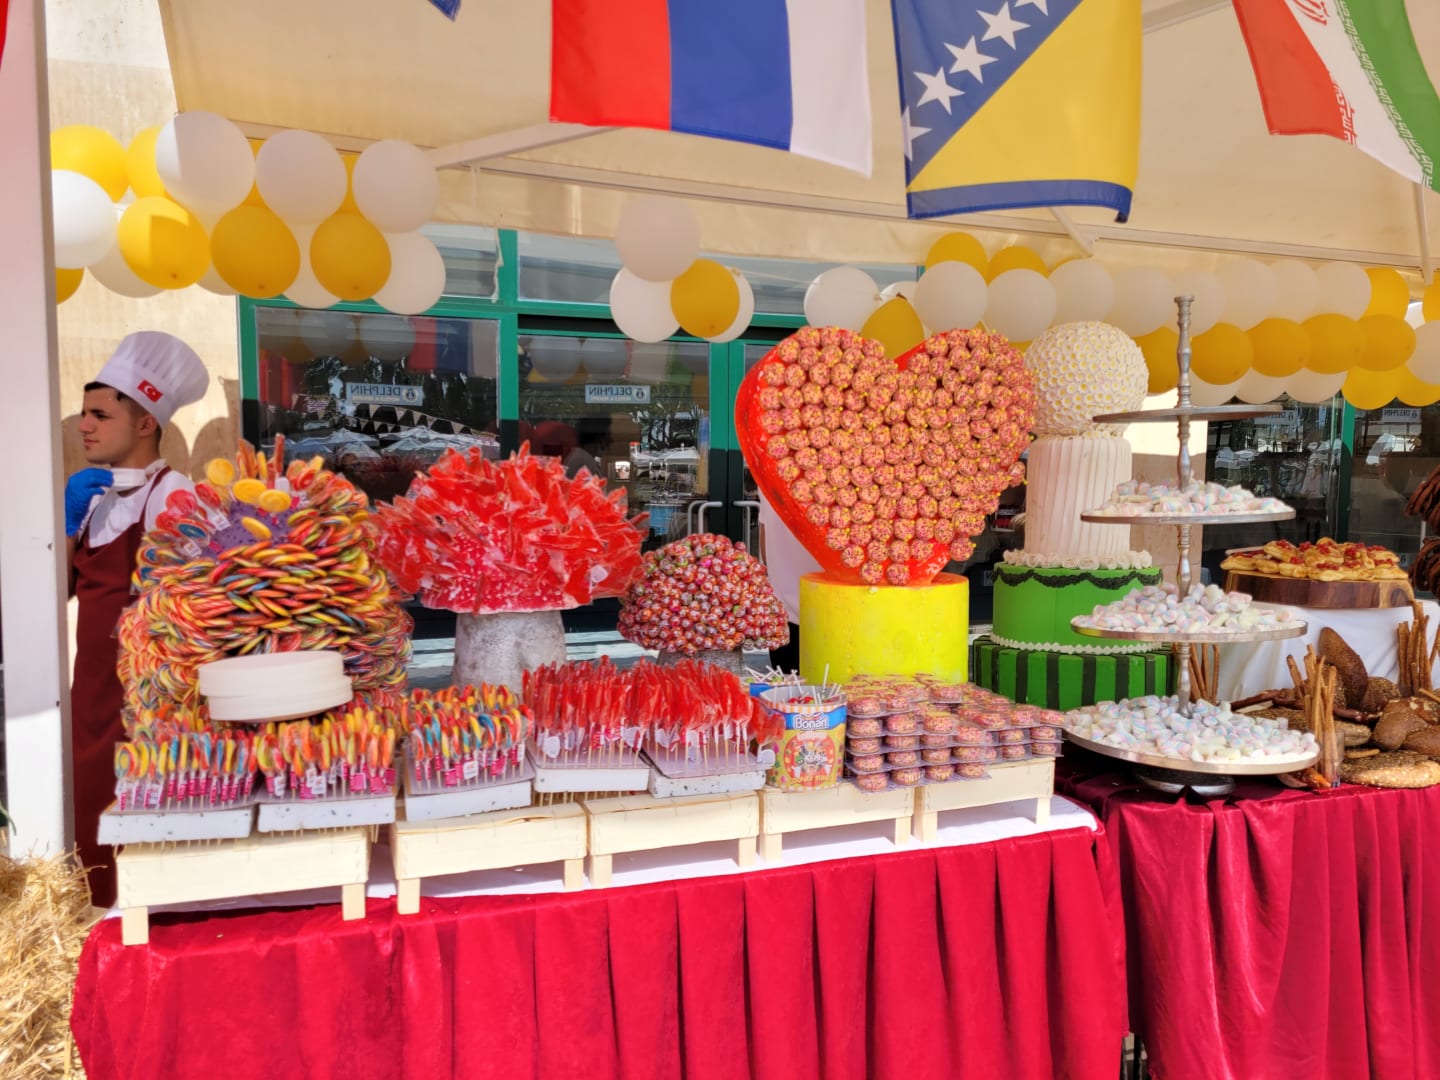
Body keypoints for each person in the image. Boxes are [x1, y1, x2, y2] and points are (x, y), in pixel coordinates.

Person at [66, 331, 209, 905]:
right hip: (92, 693)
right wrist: (63, 526)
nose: (84, 426)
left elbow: (195, 609)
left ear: (146, 422)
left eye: (100, 415)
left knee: (136, 820)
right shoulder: (95, 498)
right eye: (84, 413)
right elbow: (59, 593)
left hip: (145, 702)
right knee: (90, 817)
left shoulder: (175, 496)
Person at [757, 492, 819, 673]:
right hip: (835, 610)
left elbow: (764, 545)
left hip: (782, 612)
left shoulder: (770, 485)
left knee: (789, 686)